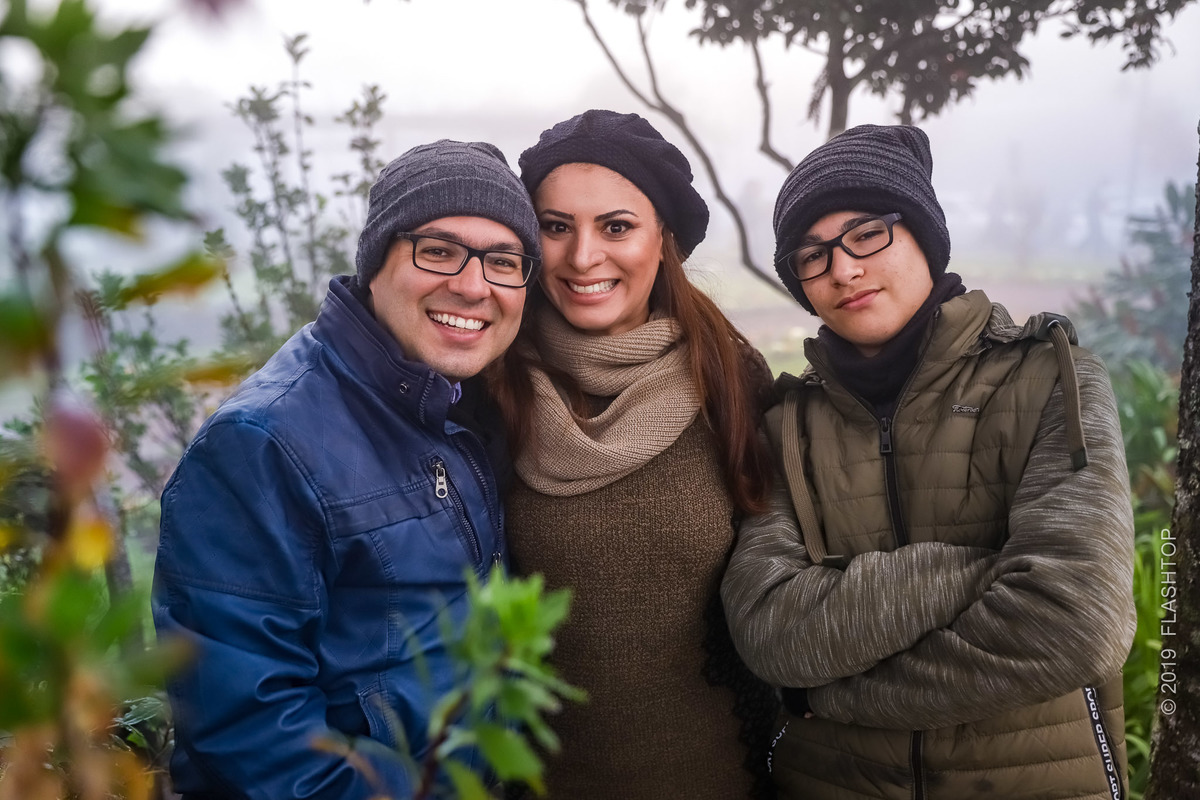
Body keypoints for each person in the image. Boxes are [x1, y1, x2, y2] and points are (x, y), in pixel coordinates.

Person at [721, 124, 1136, 800]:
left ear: (922, 234)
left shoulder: (1049, 380)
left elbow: (1075, 623)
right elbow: (769, 630)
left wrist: (823, 696)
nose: (843, 269)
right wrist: (974, 573)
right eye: (812, 254)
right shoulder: (785, 425)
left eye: (866, 235)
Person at [152, 140, 541, 800]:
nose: (474, 285)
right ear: (375, 260)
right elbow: (254, 735)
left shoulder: (453, 405)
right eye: (439, 251)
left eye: (502, 261)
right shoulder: (264, 442)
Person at [487, 109, 778, 800]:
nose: (583, 256)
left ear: (664, 240)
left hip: (726, 780)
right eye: (556, 227)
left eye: (616, 226)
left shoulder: (731, 380)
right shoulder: (490, 384)